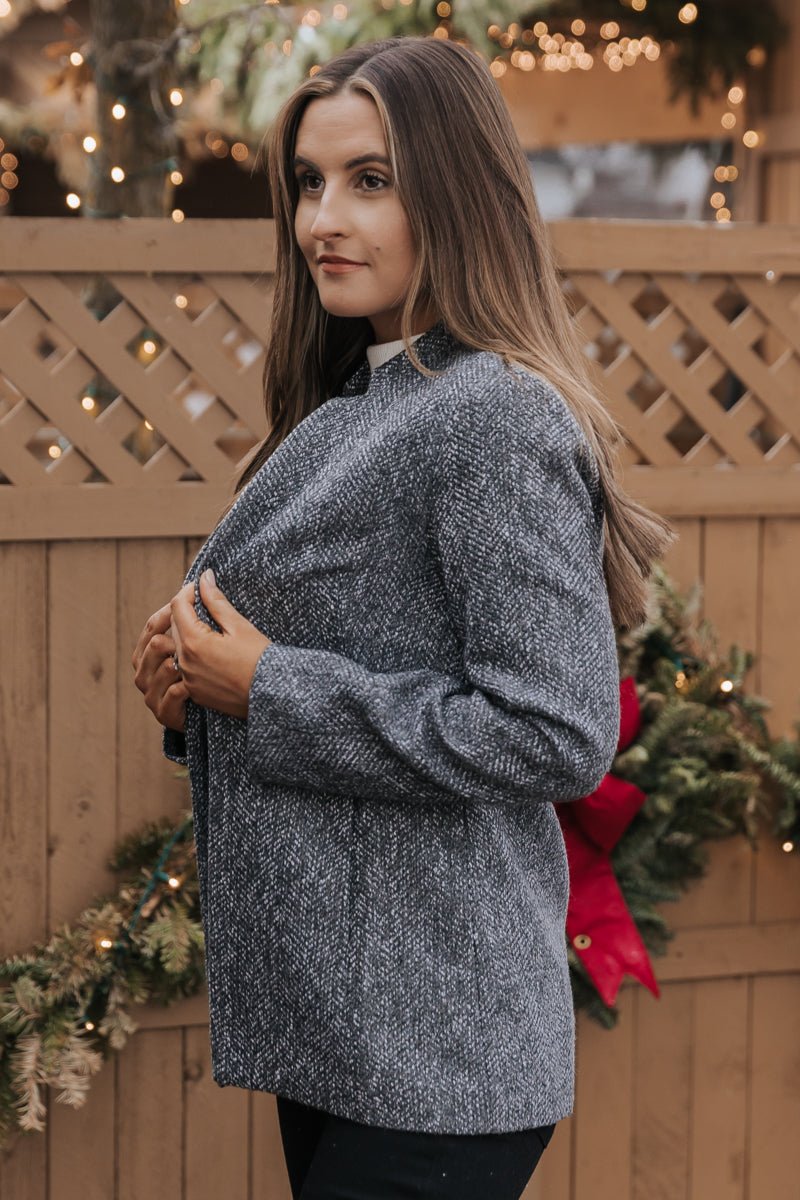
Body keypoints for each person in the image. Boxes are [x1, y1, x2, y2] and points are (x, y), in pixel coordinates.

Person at [131, 34, 676, 1200]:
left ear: (456, 191)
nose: (323, 219)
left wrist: (266, 687)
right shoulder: (361, 397)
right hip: (351, 1036)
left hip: (438, 1050)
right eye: (308, 183)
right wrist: (198, 698)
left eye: (369, 180)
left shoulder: (489, 415)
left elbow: (554, 731)